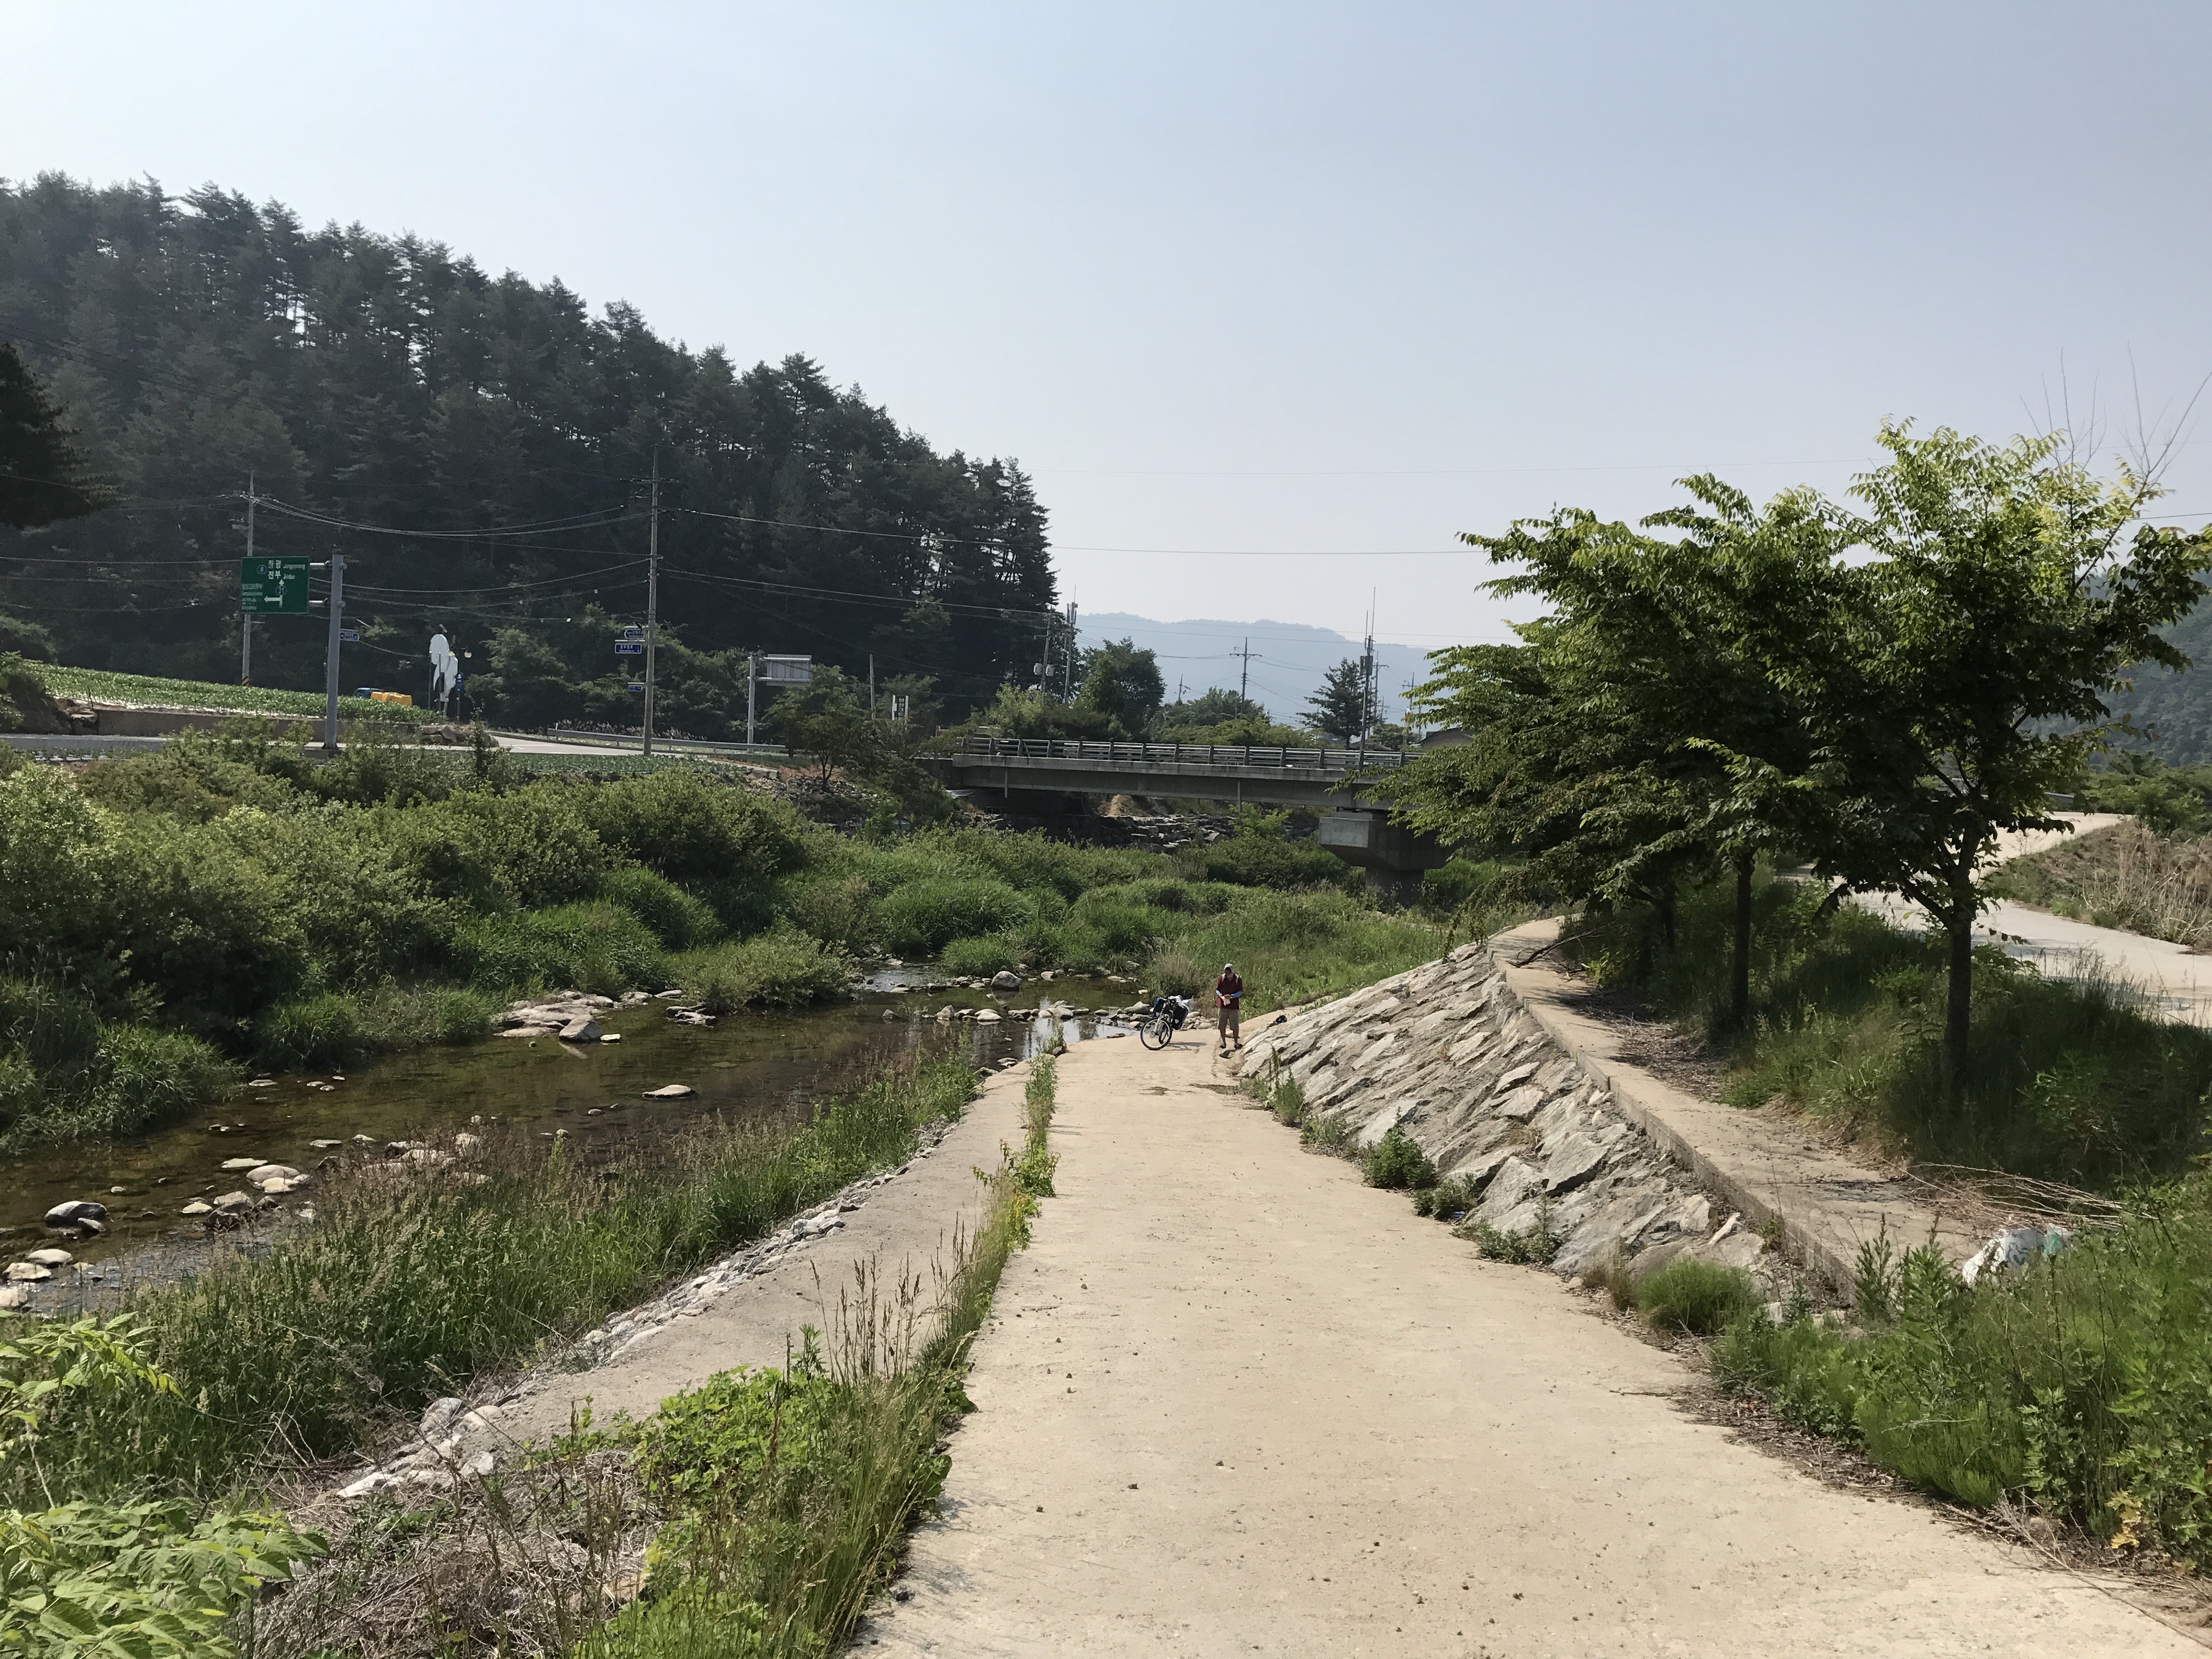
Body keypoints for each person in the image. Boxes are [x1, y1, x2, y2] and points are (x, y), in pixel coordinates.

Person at [1214, 961, 1244, 1054]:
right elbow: (1218, 990)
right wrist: (1221, 995)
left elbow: (1240, 992)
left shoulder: (1237, 979)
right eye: (1226, 971)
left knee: (1235, 1025)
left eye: (1229, 971)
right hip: (1223, 1005)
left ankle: (1236, 1042)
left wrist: (1231, 996)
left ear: (1232, 971)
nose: (1228, 973)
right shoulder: (1222, 978)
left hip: (1234, 1006)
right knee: (1222, 1024)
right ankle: (1223, 1042)